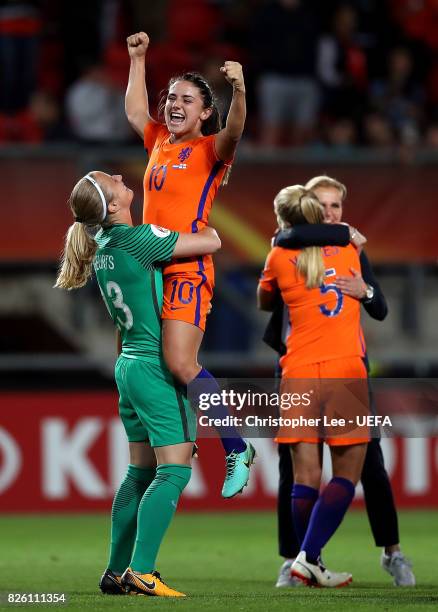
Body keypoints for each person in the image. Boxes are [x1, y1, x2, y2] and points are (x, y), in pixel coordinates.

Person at [55, 171, 221, 597]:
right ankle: (142, 571)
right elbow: (211, 242)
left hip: (127, 365)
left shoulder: (104, 246)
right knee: (175, 471)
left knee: (139, 472)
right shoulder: (137, 238)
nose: (118, 175)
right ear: (112, 206)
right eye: (111, 181)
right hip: (152, 367)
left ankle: (114, 571)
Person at [267, 175, 415, 588]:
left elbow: (381, 308)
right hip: (300, 366)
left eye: (336, 207)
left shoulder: (339, 250)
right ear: (308, 209)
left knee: (373, 466)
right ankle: (297, 558)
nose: (331, 214)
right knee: (294, 471)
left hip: (349, 368)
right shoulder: (289, 247)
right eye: (323, 206)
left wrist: (364, 290)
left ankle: (392, 552)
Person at [124, 31, 254, 499]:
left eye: (185, 99)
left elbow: (235, 130)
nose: (173, 104)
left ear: (204, 112)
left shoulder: (209, 151)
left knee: (181, 363)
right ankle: (183, 432)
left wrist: (238, 90)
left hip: (187, 269)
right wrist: (138, 59)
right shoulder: (158, 139)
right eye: (170, 97)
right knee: (152, 364)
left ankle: (237, 447)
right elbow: (136, 112)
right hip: (148, 271)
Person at [258, 185, 370, 587]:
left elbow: (264, 301)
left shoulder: (278, 255)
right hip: (344, 369)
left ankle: (307, 562)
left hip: (298, 371)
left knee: (305, 478)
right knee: (346, 475)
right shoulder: (348, 248)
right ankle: (309, 557)